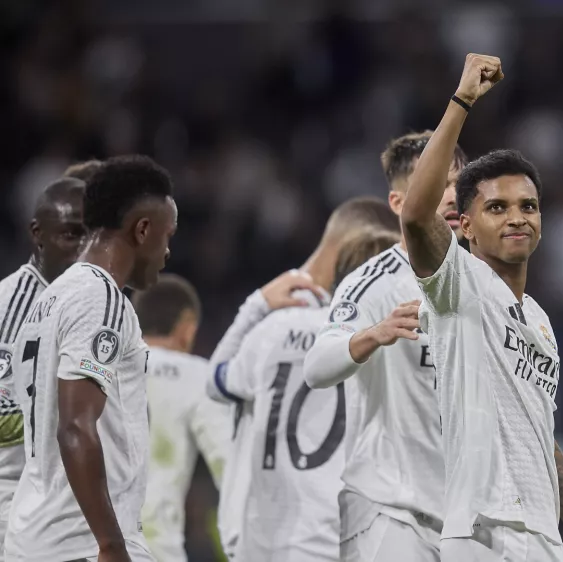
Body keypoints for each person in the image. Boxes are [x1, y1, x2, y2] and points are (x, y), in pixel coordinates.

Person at [399, 53, 563, 562]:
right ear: (465, 225)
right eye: (496, 208)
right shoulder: (459, 283)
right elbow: (415, 214)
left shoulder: (541, 321)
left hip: (542, 538)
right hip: (481, 531)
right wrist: (462, 102)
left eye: (528, 206)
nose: (517, 218)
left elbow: (541, 439)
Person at [301, 131, 468, 562]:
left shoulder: (482, 284)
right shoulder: (374, 283)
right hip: (389, 511)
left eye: (458, 185)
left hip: (463, 519)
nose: (451, 197)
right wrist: (371, 334)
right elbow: (316, 367)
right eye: (436, 185)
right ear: (398, 205)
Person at [206, 197, 399, 561]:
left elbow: (215, 382)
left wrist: (256, 305)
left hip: (257, 542)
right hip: (338, 541)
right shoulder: (376, 342)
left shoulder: (274, 327)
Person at [7, 155, 177, 562]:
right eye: (168, 235)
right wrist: (111, 545)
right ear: (142, 229)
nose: (168, 251)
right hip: (79, 541)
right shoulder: (101, 299)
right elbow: (76, 428)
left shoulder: (50, 297)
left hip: (37, 536)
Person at [0, 176, 86, 554]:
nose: (82, 250)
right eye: (71, 236)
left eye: (91, 237)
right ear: (38, 235)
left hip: (60, 516)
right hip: (14, 514)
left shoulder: (80, 302)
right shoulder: (15, 308)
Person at [131, 274, 231, 562]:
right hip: (154, 546)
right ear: (187, 327)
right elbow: (229, 465)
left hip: (84, 544)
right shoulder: (197, 375)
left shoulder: (103, 365)